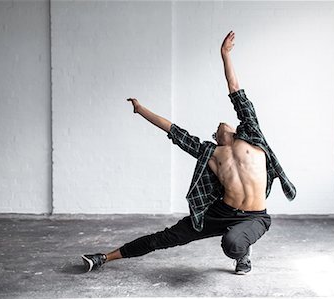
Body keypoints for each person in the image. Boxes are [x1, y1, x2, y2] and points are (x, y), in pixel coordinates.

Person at [82, 31, 296, 275]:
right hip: (220, 213)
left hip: (255, 217)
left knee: (232, 243)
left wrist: (225, 55)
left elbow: (235, 89)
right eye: (215, 130)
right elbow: (175, 131)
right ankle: (104, 257)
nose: (218, 125)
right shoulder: (211, 153)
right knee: (165, 237)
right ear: (216, 137)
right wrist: (141, 110)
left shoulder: (252, 134)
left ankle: (242, 252)